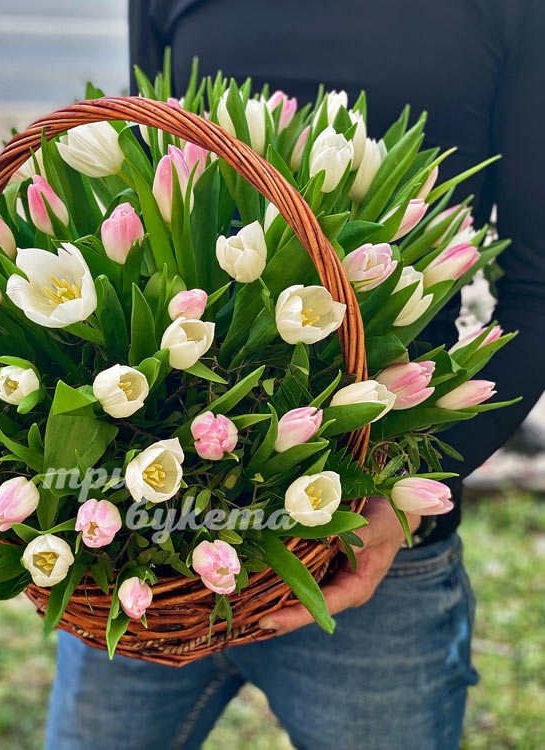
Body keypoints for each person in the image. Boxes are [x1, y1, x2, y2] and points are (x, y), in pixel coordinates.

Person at [45, 1, 545, 747]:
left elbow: (538, 290)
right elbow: (152, 181)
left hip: (371, 549)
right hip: (149, 539)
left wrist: (403, 501)